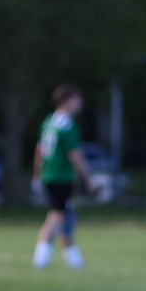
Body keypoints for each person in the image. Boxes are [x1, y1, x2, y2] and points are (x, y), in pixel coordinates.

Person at [32, 86, 91, 269]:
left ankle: (75, 261)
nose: (79, 104)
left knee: (65, 216)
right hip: (61, 176)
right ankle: (40, 258)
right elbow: (74, 154)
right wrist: (88, 178)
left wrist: (37, 175)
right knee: (57, 215)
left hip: (48, 174)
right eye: (76, 100)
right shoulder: (67, 125)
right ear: (67, 101)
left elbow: (39, 150)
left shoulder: (49, 122)